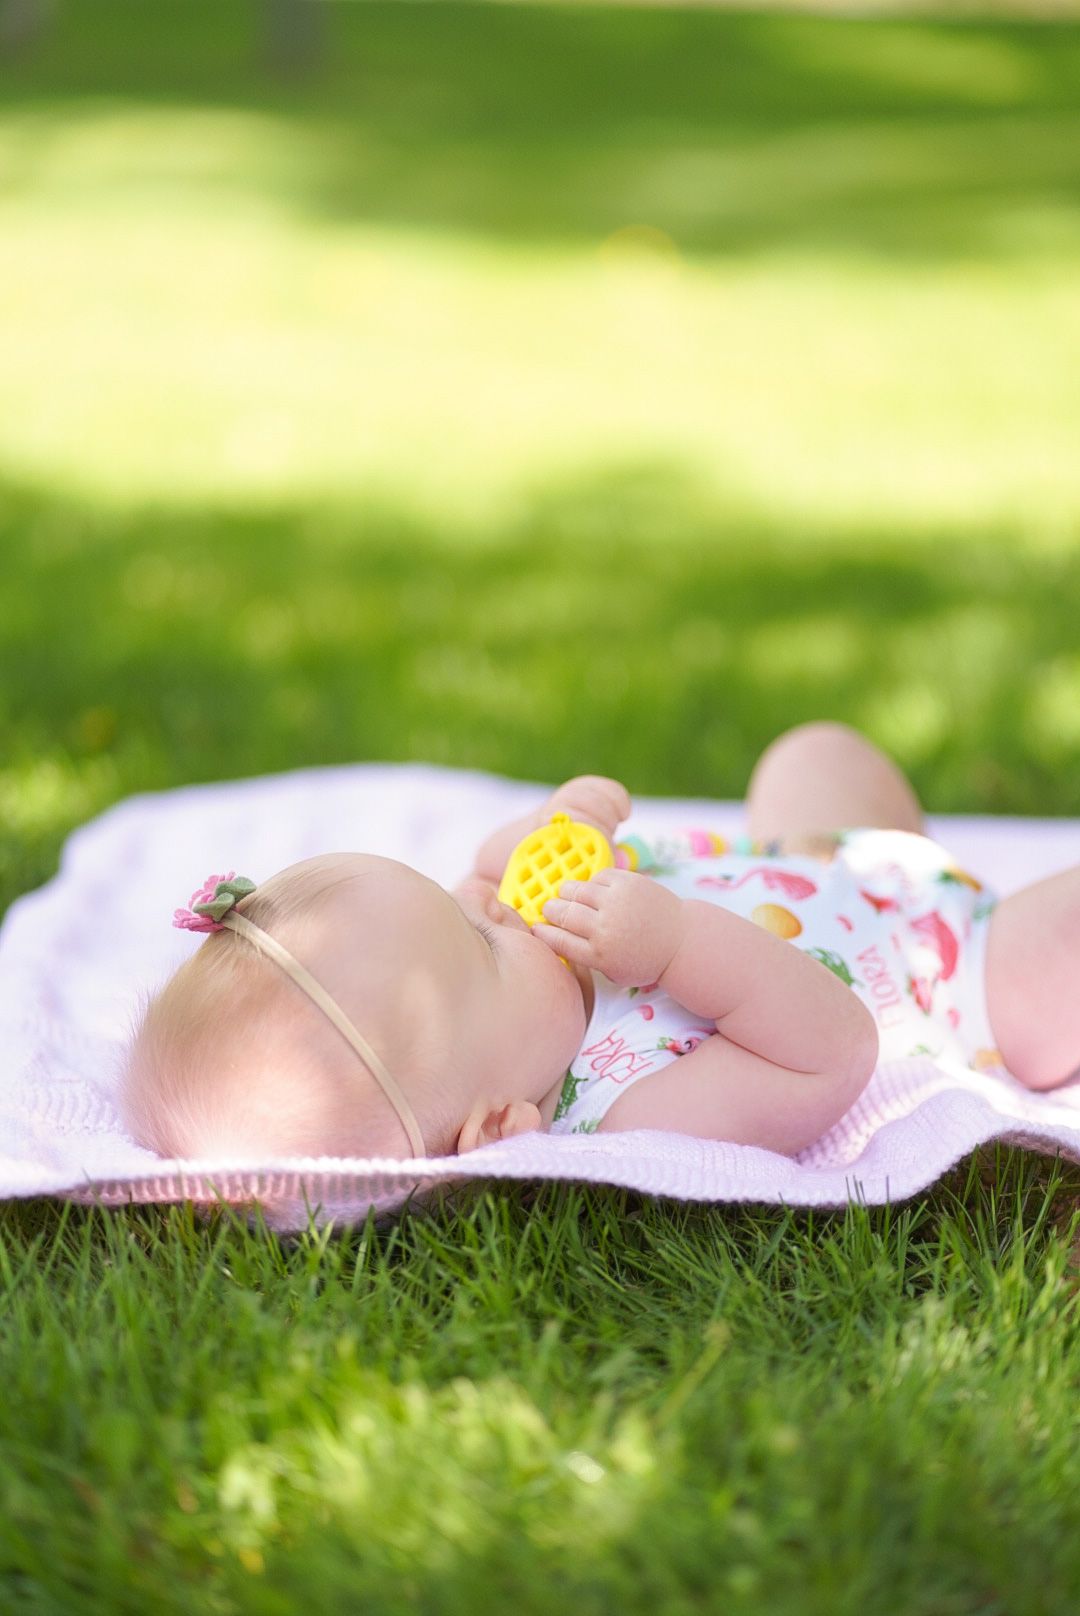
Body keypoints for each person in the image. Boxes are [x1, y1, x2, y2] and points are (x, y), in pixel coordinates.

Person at [119, 721, 1074, 1164]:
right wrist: (672, 949)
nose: (495, 900)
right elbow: (833, 1050)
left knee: (813, 753)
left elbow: (498, 869)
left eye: (463, 901)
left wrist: (560, 821)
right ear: (498, 1124)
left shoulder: (516, 981)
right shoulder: (629, 1111)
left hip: (825, 864)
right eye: (485, 939)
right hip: (960, 976)